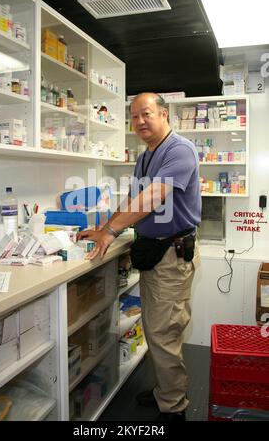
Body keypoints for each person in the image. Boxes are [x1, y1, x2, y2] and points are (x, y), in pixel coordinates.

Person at [77, 92, 201, 421]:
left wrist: (112, 232)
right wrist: (104, 227)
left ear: (164, 115)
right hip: (153, 252)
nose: (140, 121)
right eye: (134, 117)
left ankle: (174, 408)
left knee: (164, 331)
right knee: (155, 327)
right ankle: (167, 391)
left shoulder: (180, 150)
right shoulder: (146, 156)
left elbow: (152, 198)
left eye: (146, 114)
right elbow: (134, 198)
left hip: (173, 254)